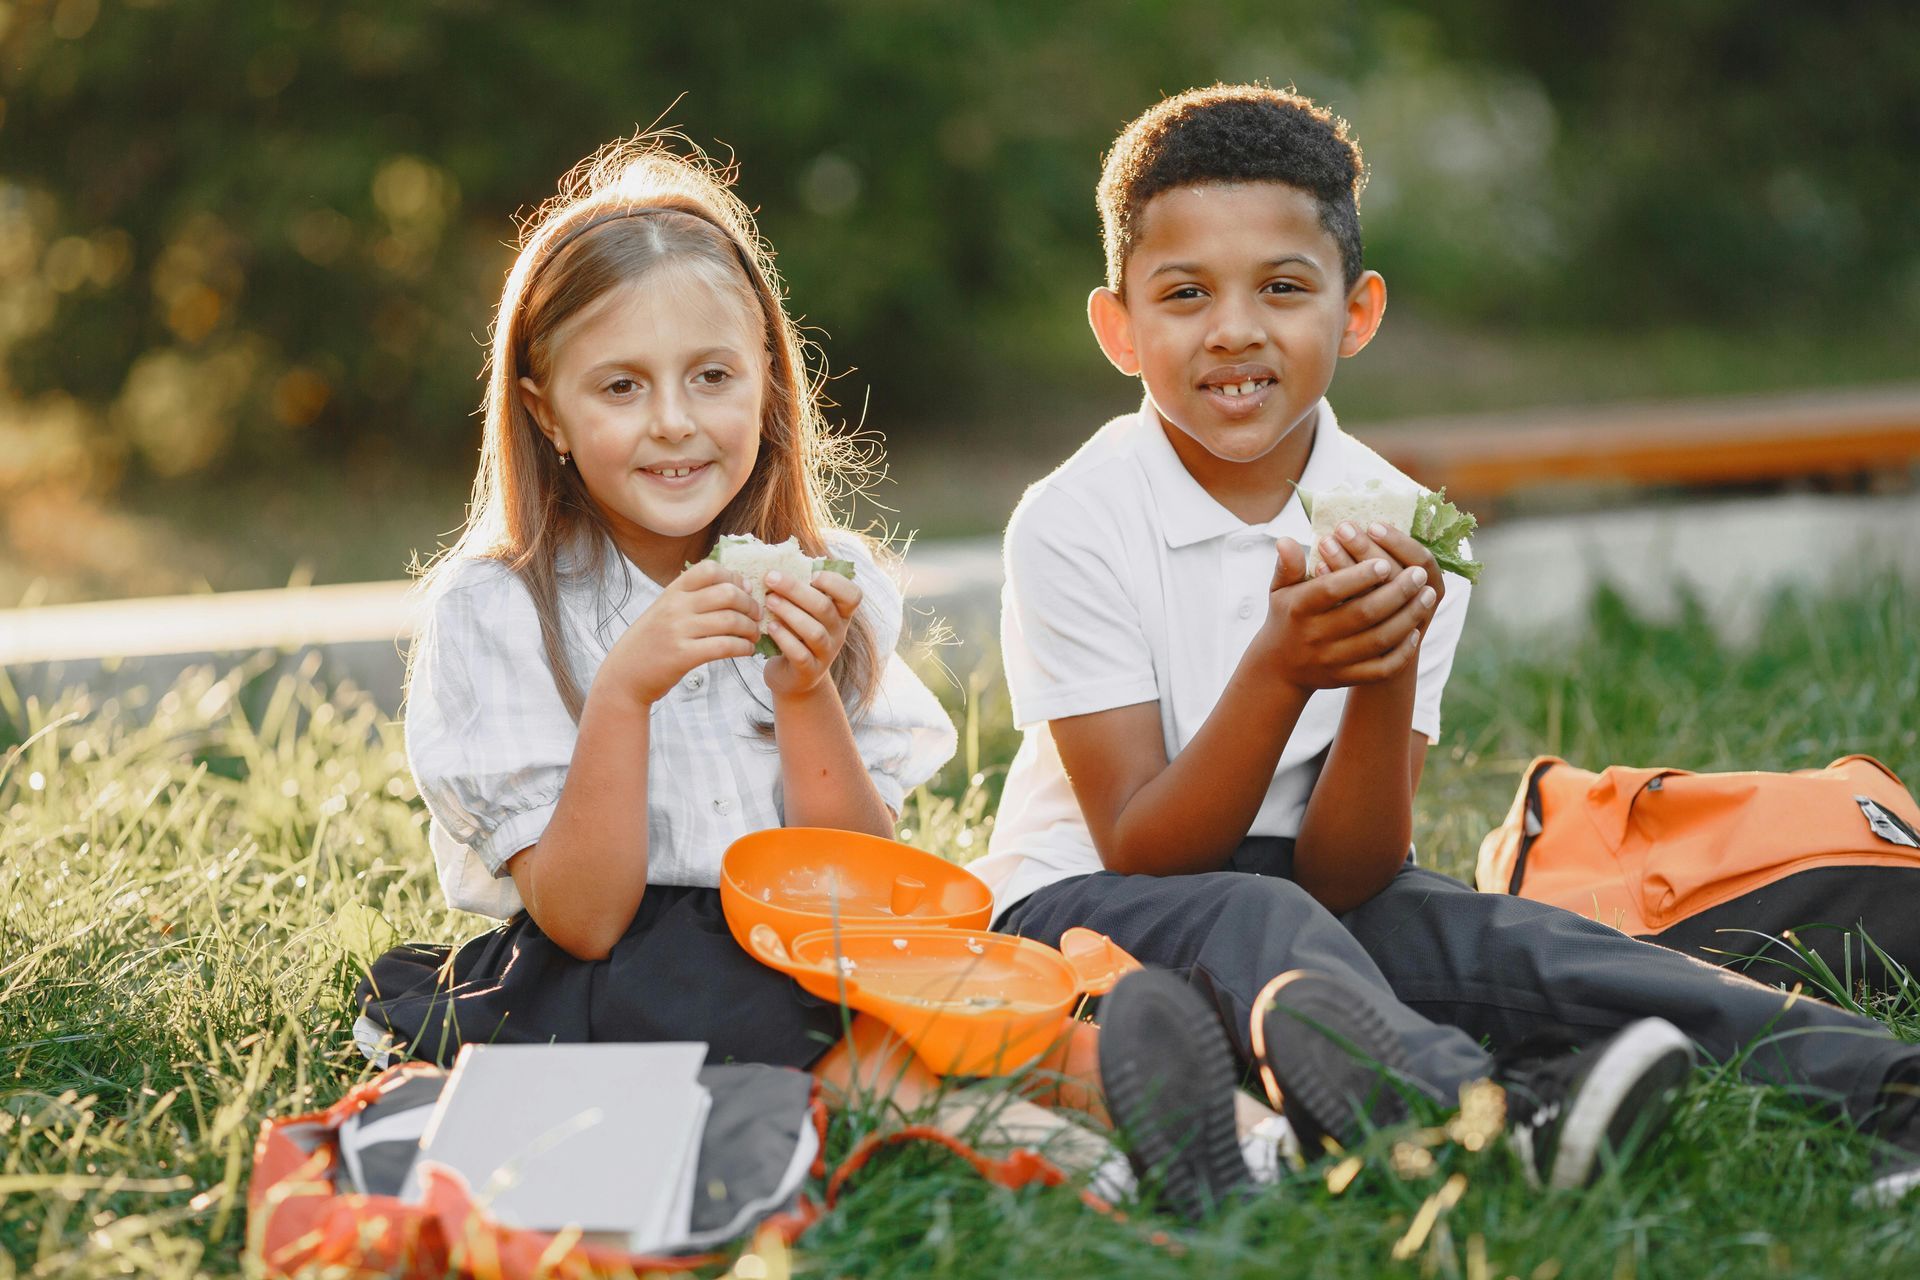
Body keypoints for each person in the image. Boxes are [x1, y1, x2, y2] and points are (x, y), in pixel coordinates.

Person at [348, 133, 1352, 1220]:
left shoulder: (834, 580)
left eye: (713, 377)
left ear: (770, 382)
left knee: (942, 989)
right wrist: (627, 690)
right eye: (622, 386)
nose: (676, 421)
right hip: (621, 966)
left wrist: (803, 689)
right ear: (545, 410)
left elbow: (865, 873)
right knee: (791, 1015)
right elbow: (585, 917)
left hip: (821, 932)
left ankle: (1216, 1120)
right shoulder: (499, 608)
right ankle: (1040, 1144)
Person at [968, 83, 1920, 1205]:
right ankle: (1486, 1119)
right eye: (1184, 294)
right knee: (1254, 908)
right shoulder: (1075, 517)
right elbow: (1142, 844)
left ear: (1356, 311)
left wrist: (1385, 669)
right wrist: (1282, 666)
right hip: (1077, 910)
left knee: (1522, 944)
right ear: (1120, 327)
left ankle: (1887, 1095)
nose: (1233, 328)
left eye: (1282, 287)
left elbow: (1353, 867)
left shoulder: (1403, 519)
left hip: (1312, 902)